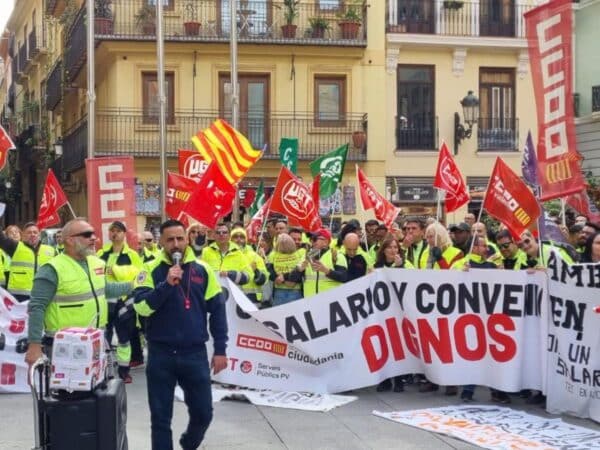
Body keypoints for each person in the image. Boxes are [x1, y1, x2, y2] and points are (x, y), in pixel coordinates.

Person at [133, 219, 227, 450]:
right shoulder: (149, 269)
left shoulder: (203, 270)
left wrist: (221, 350)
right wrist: (166, 285)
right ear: (161, 242)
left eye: (180, 238)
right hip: (161, 354)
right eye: (170, 240)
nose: (176, 244)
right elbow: (141, 307)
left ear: (187, 239)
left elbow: (217, 311)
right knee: (161, 419)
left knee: (204, 413)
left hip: (194, 354)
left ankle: (188, 443)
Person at [25, 219, 133, 367]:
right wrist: (34, 346)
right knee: (68, 390)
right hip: (65, 345)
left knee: (99, 389)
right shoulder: (51, 269)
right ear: (69, 240)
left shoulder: (97, 263)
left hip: (97, 340)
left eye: (93, 234)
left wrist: (134, 286)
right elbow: (37, 307)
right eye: (87, 235)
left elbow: (105, 289)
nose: (93, 238)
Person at [97, 220, 143, 383]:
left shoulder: (132, 255)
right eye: (111, 231)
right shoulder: (101, 253)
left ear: (124, 234)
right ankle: (104, 370)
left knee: (124, 338)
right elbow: (96, 275)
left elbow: (138, 275)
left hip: (124, 302)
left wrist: (116, 270)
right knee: (104, 337)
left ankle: (124, 370)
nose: (114, 233)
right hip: (105, 302)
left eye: (117, 231)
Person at [373, 236, 412, 393]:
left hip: (399, 311)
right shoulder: (376, 266)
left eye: (396, 247)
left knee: (398, 345)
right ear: (383, 250)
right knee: (383, 344)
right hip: (382, 311)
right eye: (389, 247)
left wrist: (399, 267)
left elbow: (411, 282)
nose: (393, 250)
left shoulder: (406, 264)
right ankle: (385, 380)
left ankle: (399, 379)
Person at [0, 222, 57, 302]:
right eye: (29, 232)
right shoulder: (15, 247)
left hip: (43, 295)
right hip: (19, 297)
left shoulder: (51, 251)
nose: (32, 234)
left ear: (39, 235)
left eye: (35, 232)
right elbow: (1, 239)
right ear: (23, 235)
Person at [295, 229, 348, 298]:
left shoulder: (337, 255)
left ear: (326, 242)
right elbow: (293, 278)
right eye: (312, 238)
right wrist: (299, 270)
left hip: (330, 301)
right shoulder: (308, 255)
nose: (312, 241)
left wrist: (326, 271)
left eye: (315, 239)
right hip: (310, 301)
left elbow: (344, 277)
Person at [200, 223, 252, 287]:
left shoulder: (239, 253)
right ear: (214, 236)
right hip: (211, 294)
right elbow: (199, 274)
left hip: (231, 294)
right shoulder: (205, 252)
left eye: (224, 232)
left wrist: (231, 274)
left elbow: (248, 276)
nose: (221, 234)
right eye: (218, 232)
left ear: (229, 236)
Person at [230, 228, 268, 305]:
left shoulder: (255, 256)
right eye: (235, 237)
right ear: (230, 239)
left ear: (246, 239)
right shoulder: (226, 255)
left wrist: (256, 271)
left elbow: (264, 280)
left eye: (242, 237)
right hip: (232, 297)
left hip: (252, 298)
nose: (239, 239)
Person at [267, 233, 304, 306]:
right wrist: (286, 281)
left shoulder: (273, 255)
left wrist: (281, 279)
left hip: (282, 289)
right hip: (293, 289)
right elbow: (299, 273)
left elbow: (270, 272)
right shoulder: (300, 253)